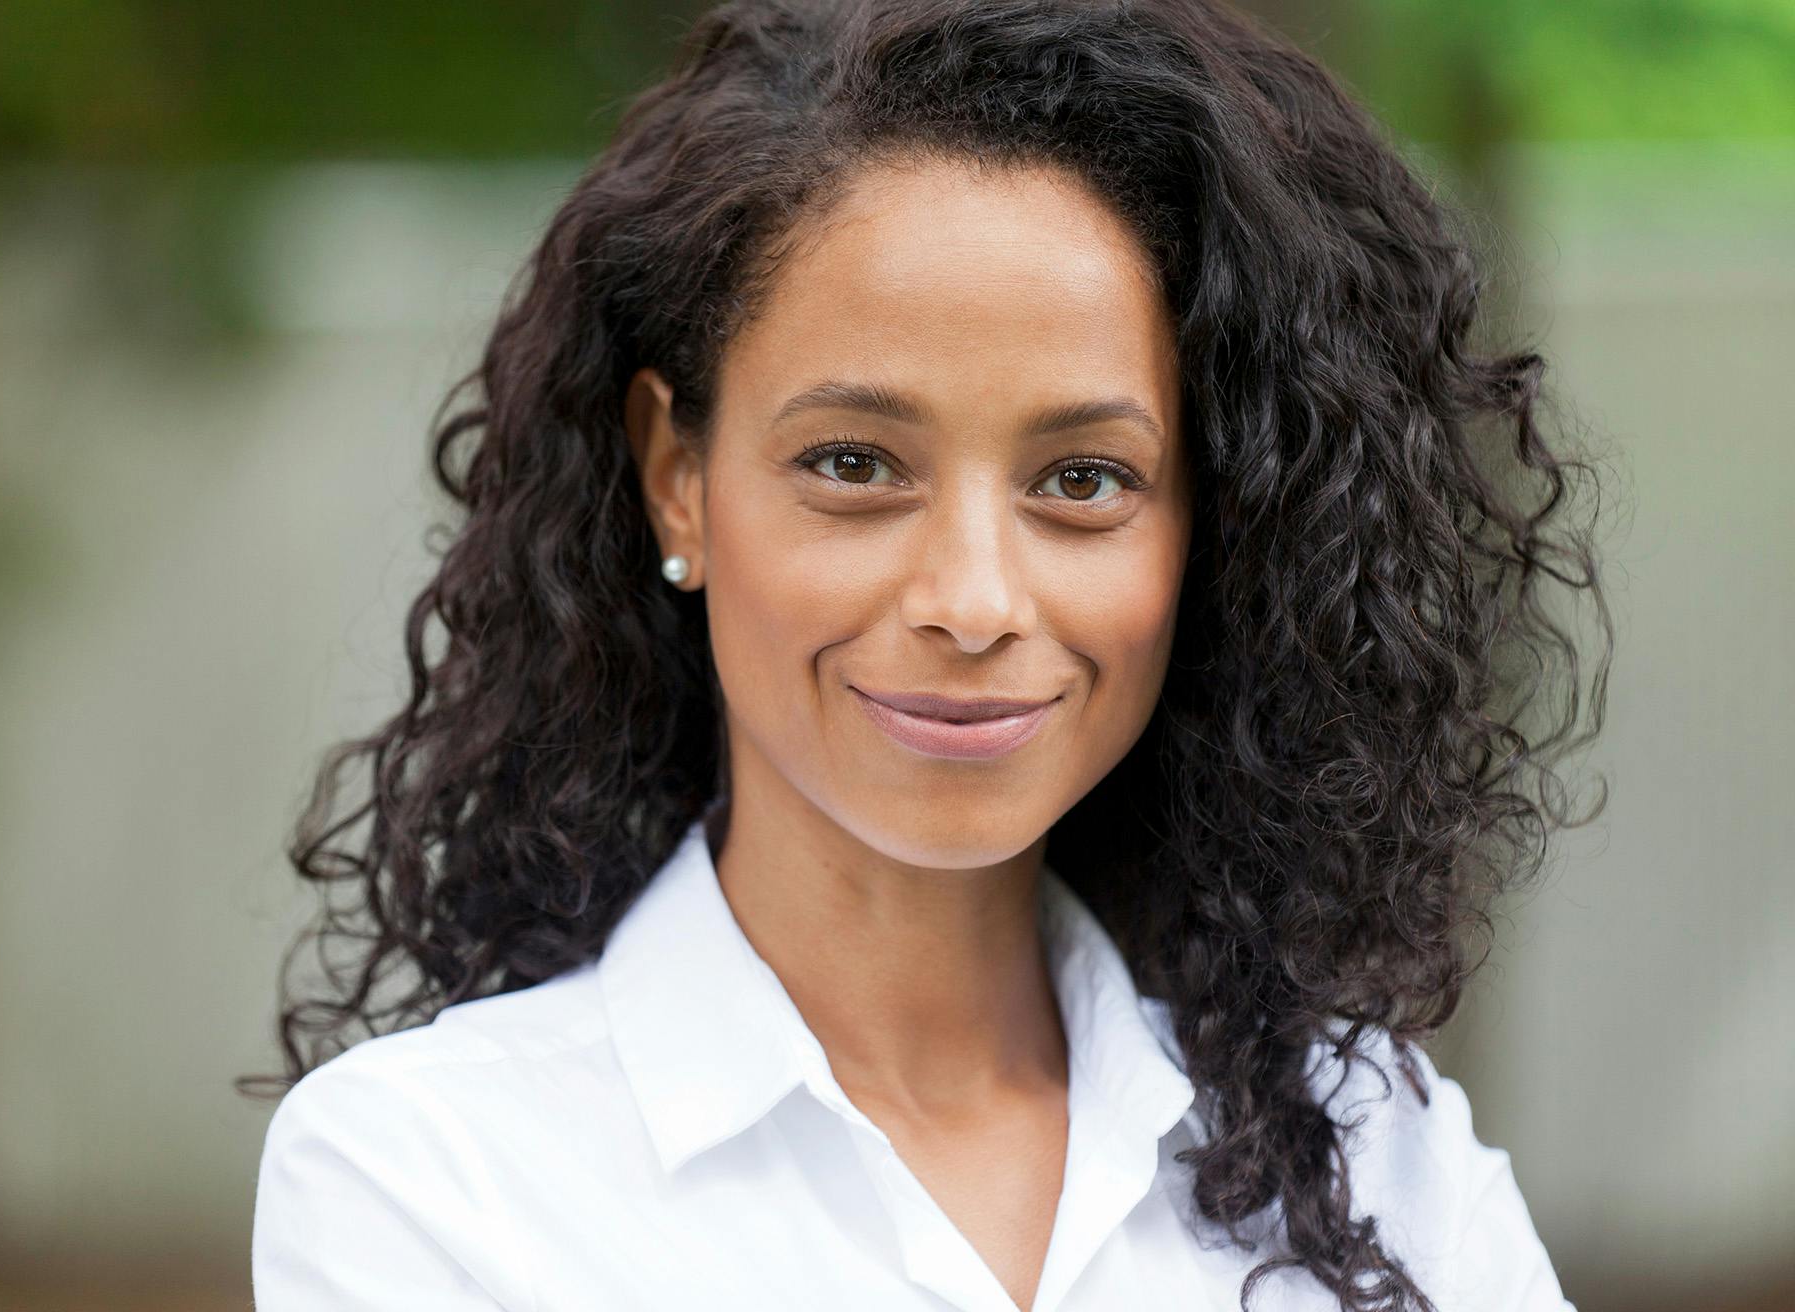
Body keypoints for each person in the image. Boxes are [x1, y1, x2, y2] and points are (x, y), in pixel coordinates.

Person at [245, 1, 1611, 1309]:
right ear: (677, 477)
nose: (973, 599)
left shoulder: (1377, 1153)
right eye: (855, 464)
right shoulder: (433, 1181)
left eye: (1083, 479)